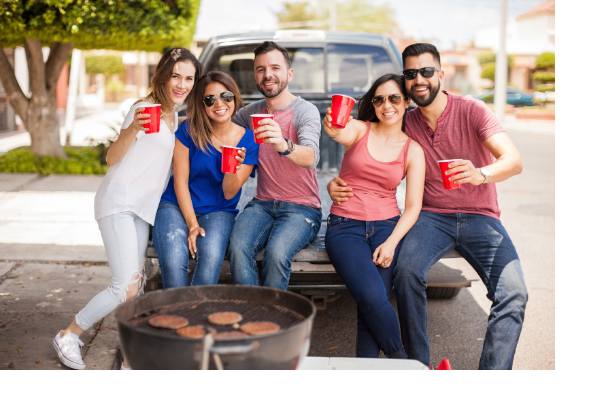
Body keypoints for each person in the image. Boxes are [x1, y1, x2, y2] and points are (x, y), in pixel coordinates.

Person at [328, 43, 528, 370]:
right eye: (411, 74)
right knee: (406, 273)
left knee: (514, 294)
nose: (419, 79)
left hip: (480, 218)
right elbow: (364, 141)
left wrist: (480, 174)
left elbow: (514, 161)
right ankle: (418, 367)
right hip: (431, 217)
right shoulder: (406, 119)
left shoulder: (472, 110)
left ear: (440, 74)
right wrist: (333, 182)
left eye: (426, 71)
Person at [53, 48, 201, 370]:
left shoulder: (172, 115)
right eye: (176, 75)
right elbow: (111, 158)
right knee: (123, 285)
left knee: (135, 286)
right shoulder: (143, 108)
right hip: (119, 202)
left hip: (140, 210)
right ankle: (69, 333)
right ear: (162, 75)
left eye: (189, 78)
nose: (182, 84)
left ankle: (131, 356)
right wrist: (132, 128)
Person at [323, 74, 425, 358]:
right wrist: (330, 123)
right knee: (371, 297)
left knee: (370, 307)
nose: (386, 105)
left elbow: (414, 206)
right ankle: (405, 364)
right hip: (346, 227)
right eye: (379, 99)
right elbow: (337, 130)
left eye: (394, 98)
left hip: (386, 229)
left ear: (406, 102)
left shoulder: (412, 150)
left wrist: (392, 242)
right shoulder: (360, 129)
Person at [228, 41, 322, 290]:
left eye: (275, 68)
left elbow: (311, 156)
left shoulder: (305, 111)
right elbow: (220, 128)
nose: (267, 75)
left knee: (277, 254)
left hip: (302, 208)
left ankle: (274, 322)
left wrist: (283, 144)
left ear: (289, 74)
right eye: (260, 69)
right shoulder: (249, 113)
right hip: (262, 204)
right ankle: (252, 317)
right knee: (237, 248)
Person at [153, 71, 258, 287]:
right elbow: (180, 181)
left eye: (226, 96)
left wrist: (232, 167)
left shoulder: (249, 140)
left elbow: (229, 192)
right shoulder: (189, 131)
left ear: (235, 98)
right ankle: (176, 316)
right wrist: (192, 225)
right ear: (202, 105)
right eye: (210, 99)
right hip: (176, 205)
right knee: (174, 261)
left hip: (219, 210)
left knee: (209, 261)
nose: (219, 104)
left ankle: (194, 316)